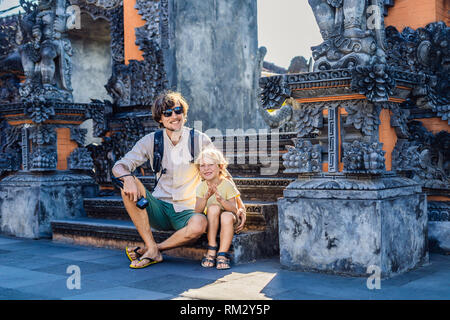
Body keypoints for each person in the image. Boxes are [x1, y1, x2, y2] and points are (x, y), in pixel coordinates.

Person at [112, 91, 246, 268]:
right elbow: (119, 166)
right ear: (160, 119)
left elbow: (221, 171)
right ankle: (151, 247)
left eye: (177, 111)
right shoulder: (151, 141)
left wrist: (239, 204)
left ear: (183, 113)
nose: (174, 116)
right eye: (167, 113)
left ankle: (153, 250)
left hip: (188, 209)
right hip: (159, 207)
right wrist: (128, 179)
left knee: (200, 224)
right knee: (126, 184)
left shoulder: (198, 139)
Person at [195, 148, 242, 270]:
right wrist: (205, 198)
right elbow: (197, 211)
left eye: (211, 165)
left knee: (225, 215)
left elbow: (234, 209)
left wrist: (222, 200)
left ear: (220, 167)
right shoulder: (201, 187)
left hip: (228, 220)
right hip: (212, 222)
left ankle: (222, 253)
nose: (206, 168)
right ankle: (211, 247)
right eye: (203, 165)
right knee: (213, 208)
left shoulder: (227, 184)